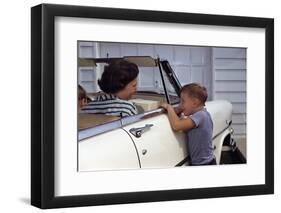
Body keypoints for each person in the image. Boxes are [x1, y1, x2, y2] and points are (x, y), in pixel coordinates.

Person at [161, 83, 215, 166]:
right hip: (204, 162)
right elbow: (184, 126)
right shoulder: (202, 114)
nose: (180, 104)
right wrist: (178, 111)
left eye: (183, 101)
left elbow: (176, 126)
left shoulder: (200, 116)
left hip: (204, 165)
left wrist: (169, 108)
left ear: (194, 103)